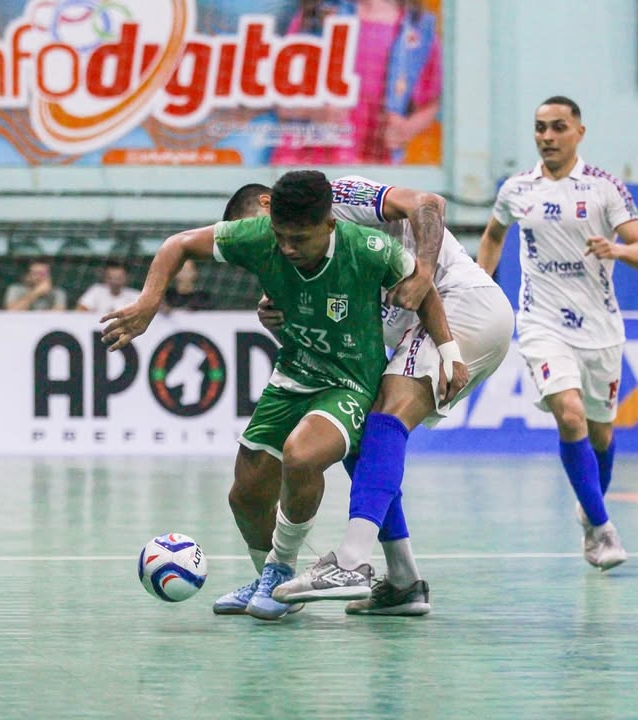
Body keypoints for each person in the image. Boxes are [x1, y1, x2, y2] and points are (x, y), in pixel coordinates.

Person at [101, 170, 466, 620]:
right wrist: (148, 303)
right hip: (292, 375)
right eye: (281, 237)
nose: (288, 248)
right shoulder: (259, 236)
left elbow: (424, 288)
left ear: (329, 225)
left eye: (299, 238)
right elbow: (177, 244)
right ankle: (270, 581)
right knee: (246, 493)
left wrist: (448, 352)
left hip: (349, 382)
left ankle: (280, 568)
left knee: (301, 455)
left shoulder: (368, 249)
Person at [222, 176, 513, 615]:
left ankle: (353, 561)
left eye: (270, 230)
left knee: (386, 417)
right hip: (425, 326)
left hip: (460, 302)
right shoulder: (297, 270)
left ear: (271, 204)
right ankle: (402, 582)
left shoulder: (339, 197)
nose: (278, 247)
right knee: (359, 436)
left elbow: (428, 203)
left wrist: (424, 274)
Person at [477, 96, 638, 571]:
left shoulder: (605, 189)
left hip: (600, 329)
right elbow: (494, 235)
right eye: (540, 128)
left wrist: (615, 249)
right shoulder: (516, 189)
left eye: (558, 127)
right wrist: (481, 285)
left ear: (579, 132)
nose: (547, 136)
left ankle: (590, 505)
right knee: (569, 415)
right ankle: (602, 527)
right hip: (541, 323)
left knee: (600, 434)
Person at [271, 0, 442, 165]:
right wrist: (314, 112)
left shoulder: (418, 30)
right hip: (309, 157)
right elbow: (275, 96)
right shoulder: (315, 17)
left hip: (376, 159)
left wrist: (407, 128)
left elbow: (431, 100)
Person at [75, 260, 140, 314]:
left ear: (127, 278)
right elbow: (80, 309)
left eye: (119, 278)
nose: (114, 281)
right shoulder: (96, 290)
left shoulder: (136, 295)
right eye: (110, 277)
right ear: (105, 278)